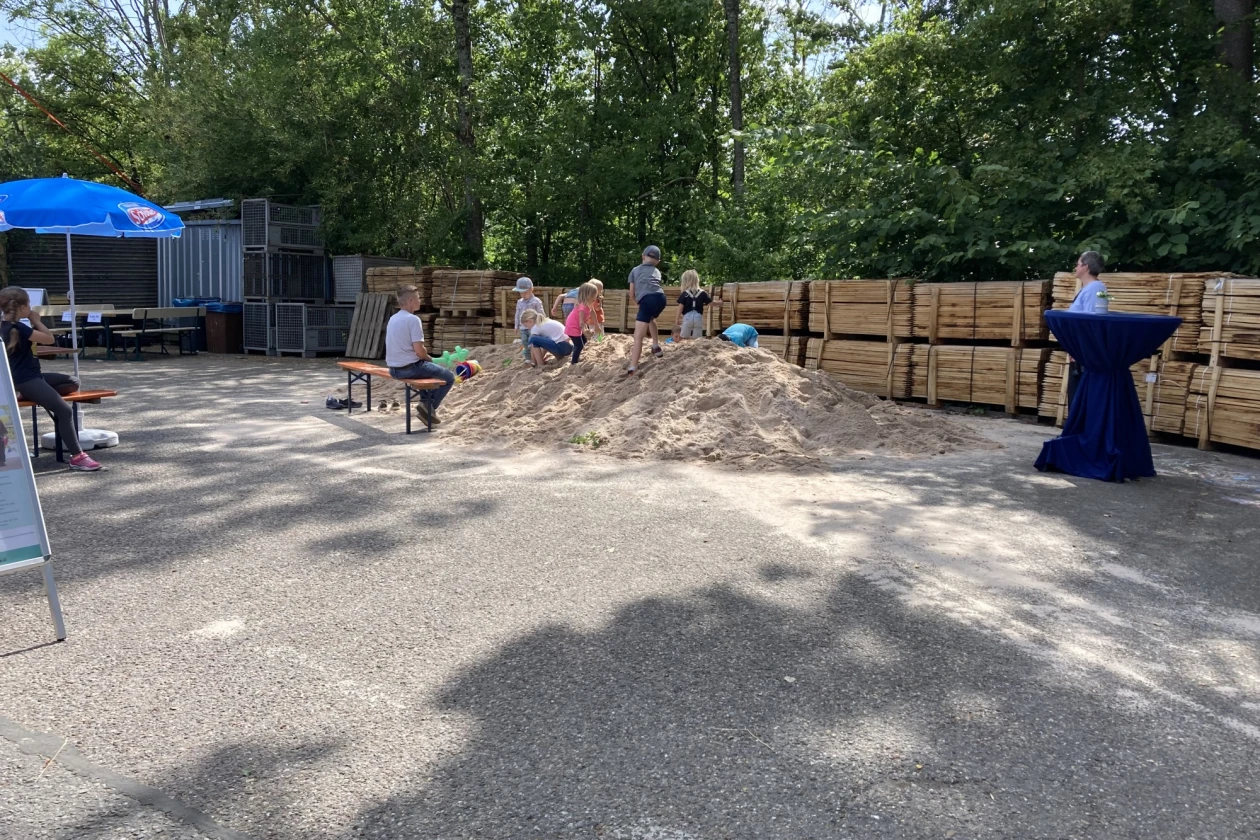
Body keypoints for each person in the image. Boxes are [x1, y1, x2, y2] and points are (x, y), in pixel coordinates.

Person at [0, 287, 101, 471]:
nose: (31, 307)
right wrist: (37, 320)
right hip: (25, 379)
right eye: (29, 304)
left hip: (31, 378)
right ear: (22, 307)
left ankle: (33, 394)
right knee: (64, 411)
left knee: (73, 382)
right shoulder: (19, 328)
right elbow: (48, 339)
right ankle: (77, 457)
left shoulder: (6, 326)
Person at [385, 284, 455, 426]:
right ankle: (428, 407)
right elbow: (419, 351)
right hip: (410, 368)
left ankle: (425, 404)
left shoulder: (393, 318)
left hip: (393, 369)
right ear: (410, 300)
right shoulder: (413, 320)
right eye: (418, 298)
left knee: (428, 371)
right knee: (449, 377)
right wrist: (431, 359)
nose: (420, 301)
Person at [1066, 251, 1108, 404]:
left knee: (1080, 396)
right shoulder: (1089, 288)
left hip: (1085, 353)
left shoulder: (1095, 289)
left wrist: (1081, 349)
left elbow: (1092, 322)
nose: (1075, 267)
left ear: (1086, 267)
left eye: (1078, 264)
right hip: (1079, 350)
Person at [626, 245, 668, 376]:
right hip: (661, 298)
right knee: (650, 319)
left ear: (643, 256)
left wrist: (639, 304)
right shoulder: (657, 271)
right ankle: (656, 346)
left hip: (647, 300)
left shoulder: (635, 270)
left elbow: (632, 293)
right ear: (658, 261)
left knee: (638, 336)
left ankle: (633, 366)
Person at [673, 269, 721, 340]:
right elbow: (711, 303)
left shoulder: (685, 293)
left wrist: (677, 318)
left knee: (684, 336)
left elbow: (680, 307)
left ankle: (685, 347)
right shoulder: (702, 293)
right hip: (698, 317)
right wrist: (719, 303)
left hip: (687, 318)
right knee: (697, 338)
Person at [564, 282, 599, 365]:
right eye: (594, 295)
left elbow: (593, 313)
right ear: (587, 295)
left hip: (576, 326)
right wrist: (586, 331)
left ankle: (575, 355)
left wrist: (597, 326)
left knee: (583, 340)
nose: (595, 297)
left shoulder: (588, 304)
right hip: (573, 327)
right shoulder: (582, 307)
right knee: (579, 345)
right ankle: (574, 362)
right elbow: (581, 322)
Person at [513, 276, 545, 364]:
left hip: (533, 327)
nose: (523, 295)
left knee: (532, 342)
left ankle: (534, 358)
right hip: (523, 327)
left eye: (525, 293)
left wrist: (543, 323)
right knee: (524, 342)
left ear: (531, 290)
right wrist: (516, 325)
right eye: (521, 293)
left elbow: (541, 313)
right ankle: (528, 358)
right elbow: (517, 314)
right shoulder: (519, 302)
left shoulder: (536, 301)